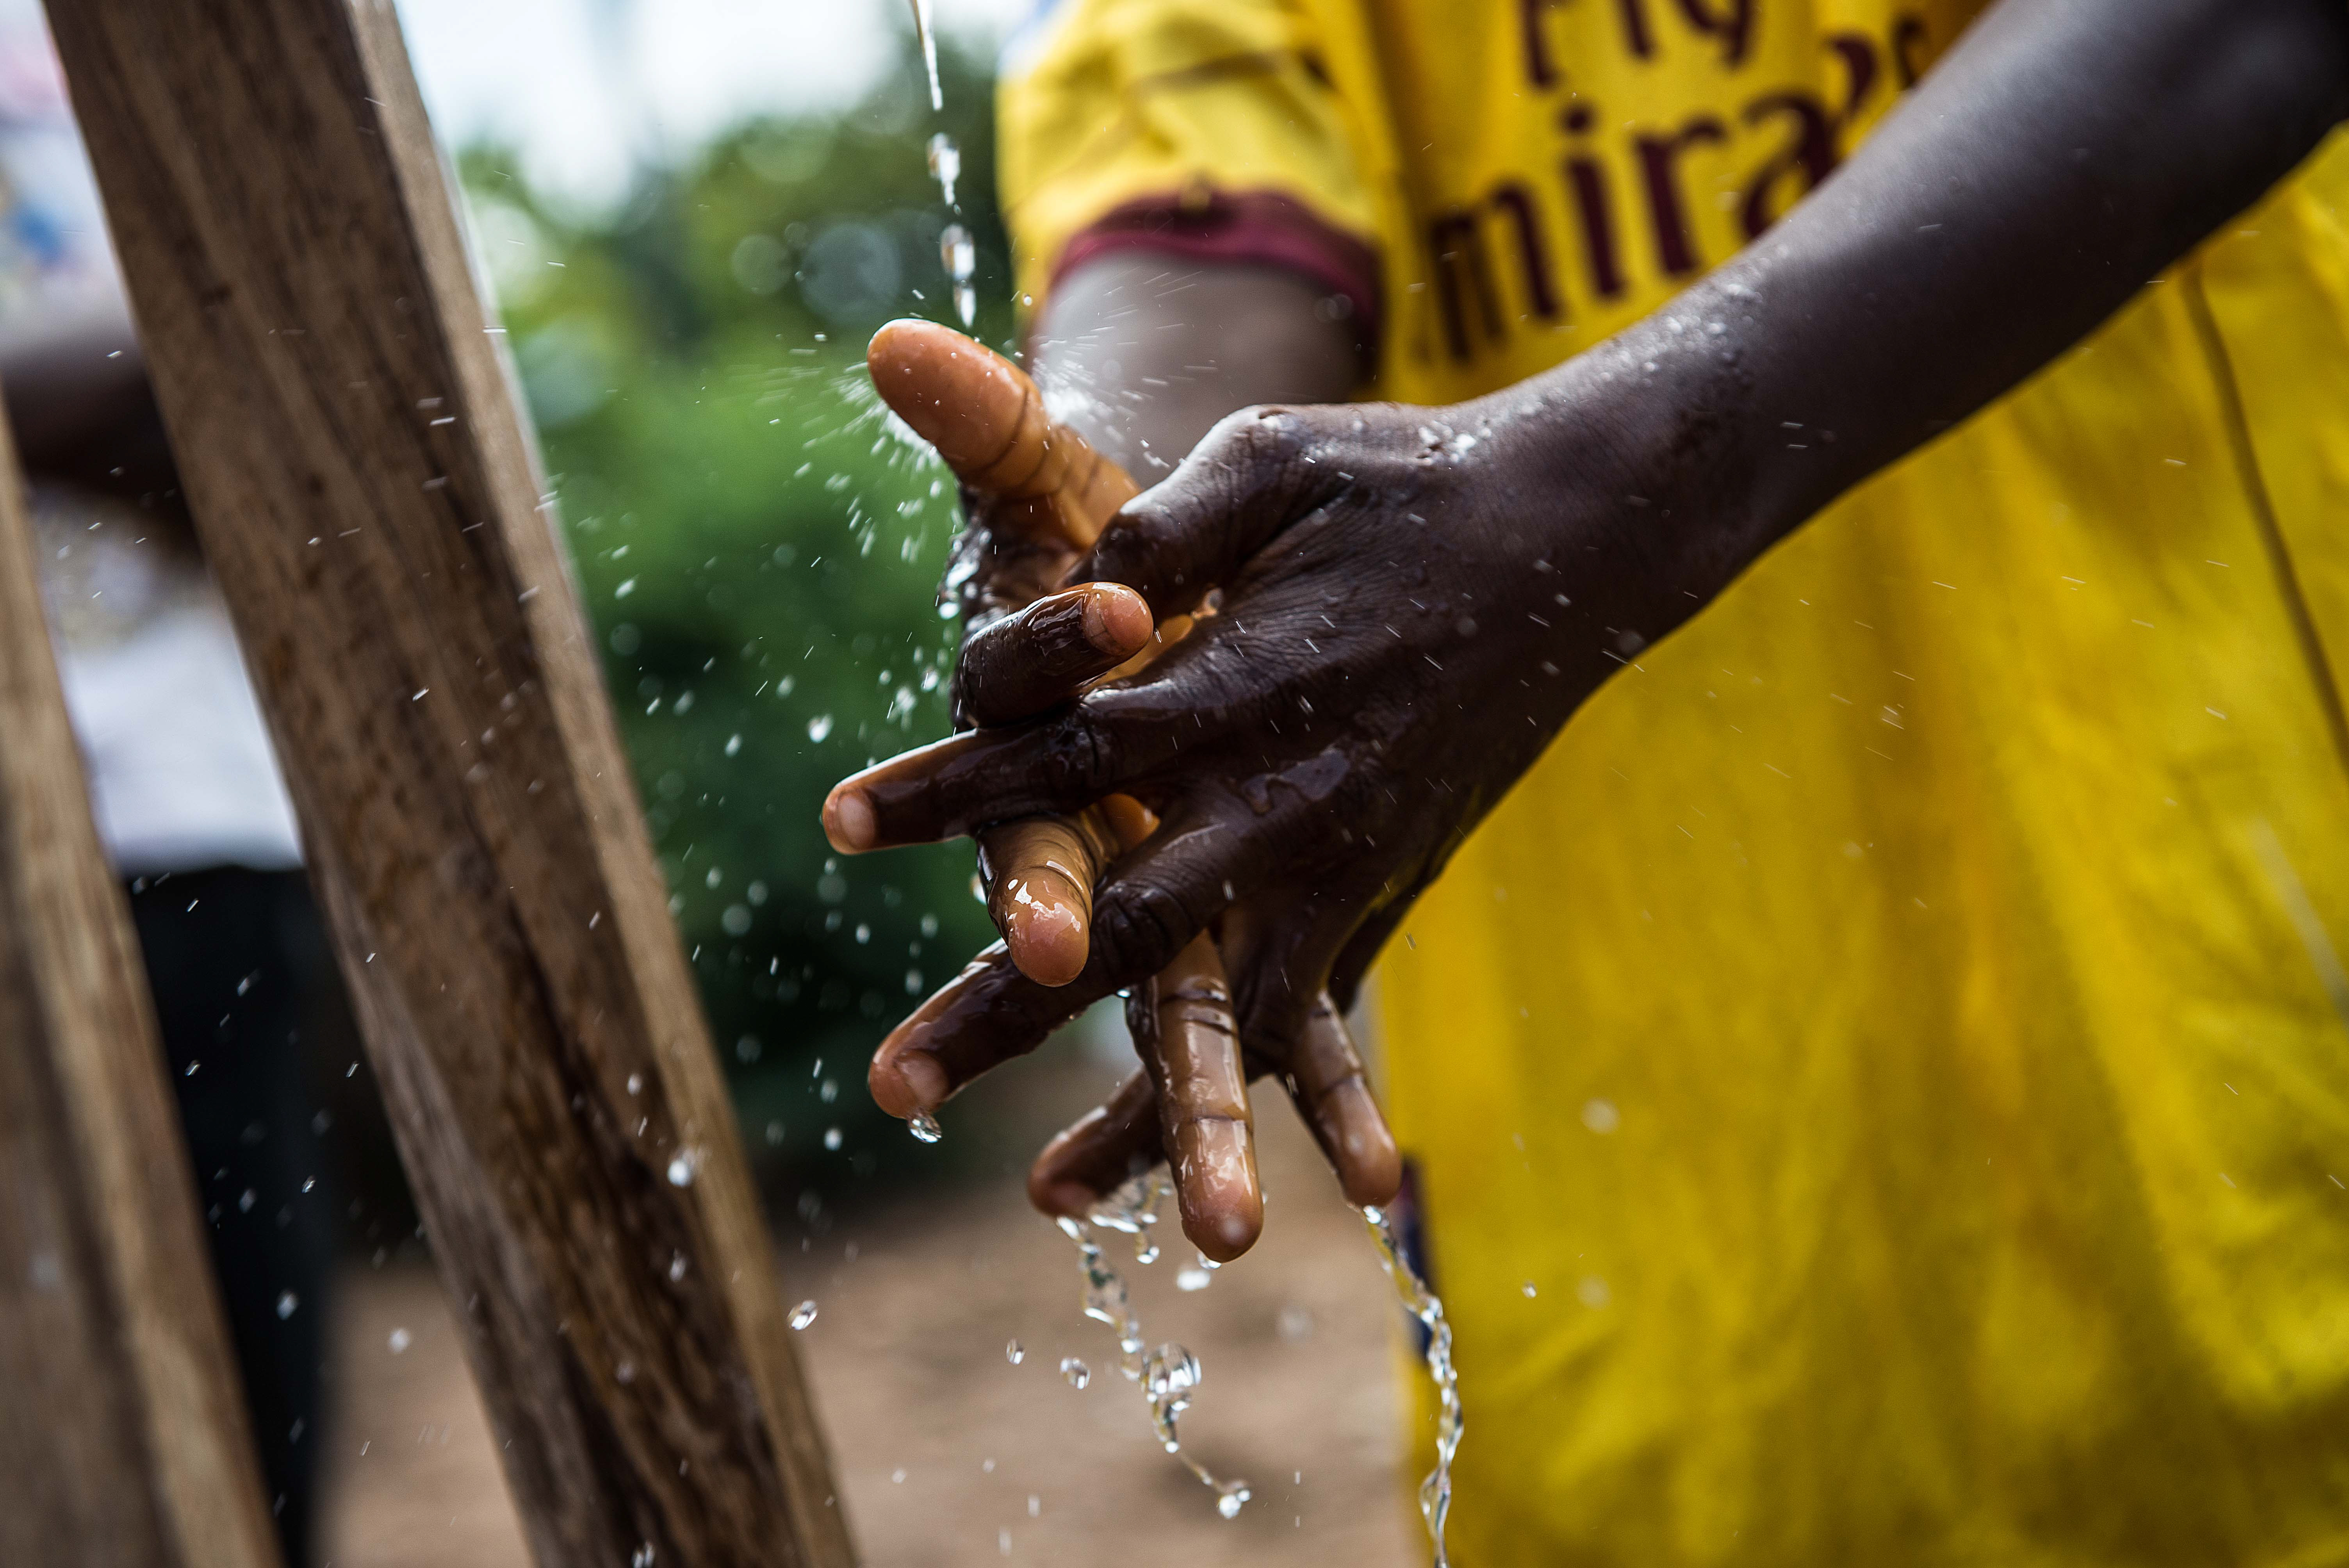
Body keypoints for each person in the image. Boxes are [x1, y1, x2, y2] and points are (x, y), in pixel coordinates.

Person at [832, 0, 2349, 1558]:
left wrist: (1612, 486)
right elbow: (1196, 220)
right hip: (1657, 1384)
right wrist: (1121, 549)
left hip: (2265, 1188)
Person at [0, 5, 337, 1556]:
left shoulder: (140, 48)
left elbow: (281, 365)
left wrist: (182, 367)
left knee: (244, 1376)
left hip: (189, 825)